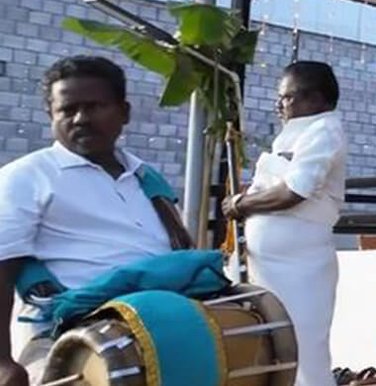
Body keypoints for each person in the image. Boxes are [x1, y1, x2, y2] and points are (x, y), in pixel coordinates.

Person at [1, 57, 192, 386]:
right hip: (72, 344)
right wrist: (2, 362)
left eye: (95, 107)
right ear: (51, 115)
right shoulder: (25, 177)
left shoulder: (145, 177)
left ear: (124, 112)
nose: (81, 119)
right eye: (67, 109)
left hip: (160, 332)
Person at [223, 61, 349, 386]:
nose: (280, 105)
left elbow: (296, 190)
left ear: (317, 98)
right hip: (269, 266)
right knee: (275, 347)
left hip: (302, 265)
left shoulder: (324, 129)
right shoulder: (294, 134)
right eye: (279, 98)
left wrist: (241, 204)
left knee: (305, 349)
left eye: (287, 97)